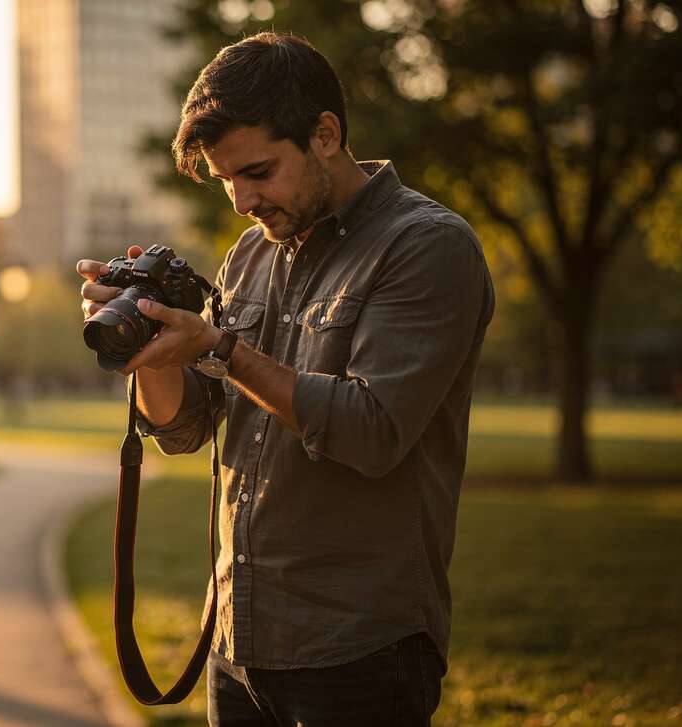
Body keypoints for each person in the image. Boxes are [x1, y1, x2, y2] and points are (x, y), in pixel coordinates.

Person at [77, 32, 495, 727]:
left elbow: (373, 430)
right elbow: (184, 430)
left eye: (259, 172)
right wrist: (151, 354)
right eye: (227, 180)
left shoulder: (426, 245)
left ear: (325, 134)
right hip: (240, 643)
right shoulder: (251, 254)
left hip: (359, 647)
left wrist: (221, 347)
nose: (242, 199)